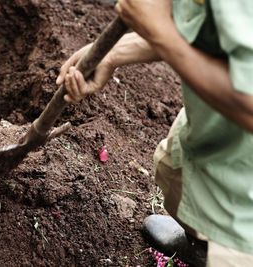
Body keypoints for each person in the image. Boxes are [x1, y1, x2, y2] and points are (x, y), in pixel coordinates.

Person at [56, 0, 253, 266]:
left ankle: (217, 250)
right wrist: (115, 51)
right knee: (174, 171)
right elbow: (209, 27)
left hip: (244, 203)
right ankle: (201, 246)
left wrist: (160, 32)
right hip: (215, 127)